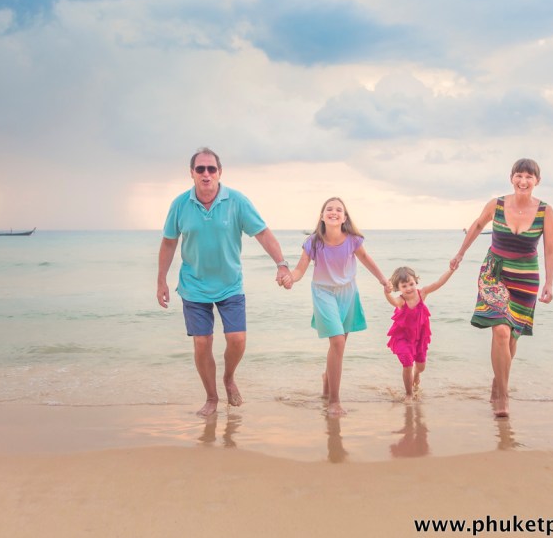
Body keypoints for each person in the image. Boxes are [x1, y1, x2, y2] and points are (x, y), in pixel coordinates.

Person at [157, 147, 293, 417]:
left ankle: (229, 378)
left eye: (211, 169)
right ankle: (211, 398)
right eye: (200, 169)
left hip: (230, 284)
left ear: (220, 172)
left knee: (237, 340)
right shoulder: (180, 204)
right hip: (193, 285)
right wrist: (161, 280)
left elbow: (263, 234)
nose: (206, 174)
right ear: (192, 173)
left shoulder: (237, 201)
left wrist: (281, 263)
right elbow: (169, 242)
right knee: (201, 343)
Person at [450, 158, 553, 418]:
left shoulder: (545, 210)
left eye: (529, 177)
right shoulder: (497, 204)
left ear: (537, 181)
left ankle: (497, 384)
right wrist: (460, 254)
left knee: (512, 337)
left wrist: (549, 282)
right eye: (519, 175)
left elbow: (550, 250)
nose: (523, 181)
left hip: (525, 278)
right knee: (499, 330)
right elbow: (476, 226)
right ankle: (503, 395)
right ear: (511, 178)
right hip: (494, 272)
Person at [288, 197, 390, 417]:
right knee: (337, 341)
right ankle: (334, 401)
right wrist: (290, 279)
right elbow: (299, 270)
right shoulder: (313, 241)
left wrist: (383, 279)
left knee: (339, 344)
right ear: (322, 215)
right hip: (323, 292)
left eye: (338, 210)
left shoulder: (353, 240)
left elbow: (367, 260)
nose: (333, 212)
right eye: (329, 209)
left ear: (344, 218)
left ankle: (327, 378)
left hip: (348, 293)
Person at [383, 265, 454, 402]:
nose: (409, 288)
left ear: (416, 282)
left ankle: (416, 373)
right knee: (407, 362)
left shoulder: (422, 293)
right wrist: (386, 292)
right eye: (404, 286)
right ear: (399, 288)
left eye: (411, 284)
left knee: (421, 367)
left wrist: (451, 270)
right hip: (403, 337)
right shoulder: (401, 301)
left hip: (420, 336)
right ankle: (409, 394)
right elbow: (392, 301)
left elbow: (439, 283)